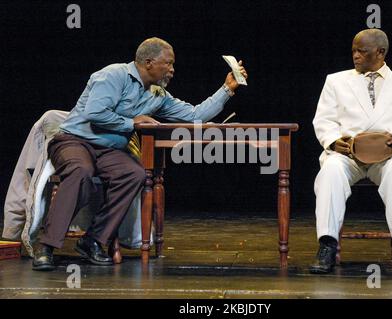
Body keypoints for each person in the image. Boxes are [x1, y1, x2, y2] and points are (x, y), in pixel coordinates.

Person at [32, 37, 248, 271]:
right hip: (75, 140)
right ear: (148, 62)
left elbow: (195, 115)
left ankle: (93, 240)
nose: (172, 70)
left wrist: (228, 89)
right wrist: (131, 122)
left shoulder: (157, 94)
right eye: (168, 63)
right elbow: (95, 112)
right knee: (81, 171)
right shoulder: (113, 75)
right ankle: (47, 246)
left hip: (108, 150)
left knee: (134, 173)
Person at [310, 29, 392, 277]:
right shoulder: (336, 81)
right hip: (347, 156)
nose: (355, 56)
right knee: (330, 170)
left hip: (387, 157)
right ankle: (327, 245)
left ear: (380, 52)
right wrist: (332, 141)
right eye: (353, 50)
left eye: (361, 51)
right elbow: (324, 120)